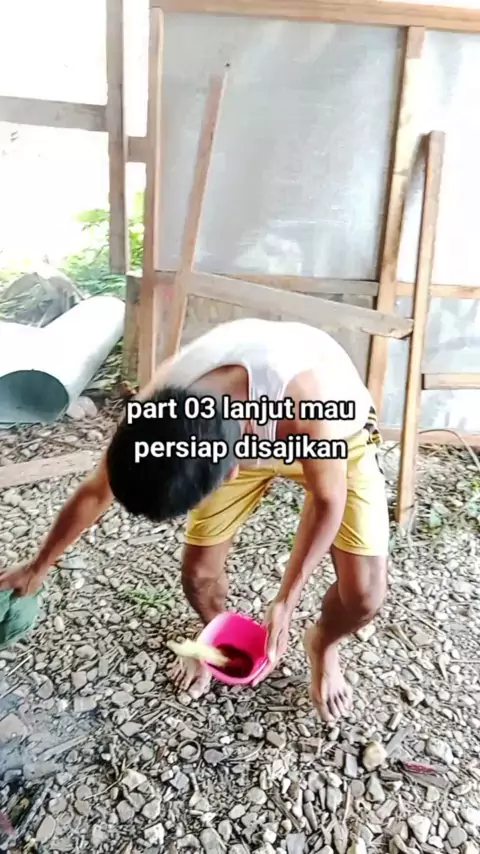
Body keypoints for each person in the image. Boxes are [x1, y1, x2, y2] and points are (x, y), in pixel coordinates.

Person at [0, 318, 389, 721]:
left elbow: (327, 500)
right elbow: (97, 490)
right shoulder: (160, 405)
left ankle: (322, 645)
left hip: (337, 440)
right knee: (198, 577)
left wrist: (285, 602)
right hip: (236, 430)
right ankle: (216, 637)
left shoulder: (312, 402)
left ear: (231, 471)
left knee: (364, 596)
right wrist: (38, 566)